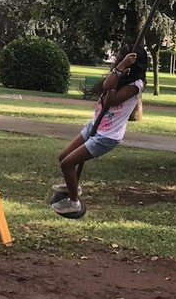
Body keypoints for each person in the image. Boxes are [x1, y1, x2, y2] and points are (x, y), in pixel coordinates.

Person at [52, 44, 148, 216]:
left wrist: (118, 75)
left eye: (121, 58)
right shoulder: (121, 73)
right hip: (95, 125)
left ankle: (74, 203)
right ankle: (73, 186)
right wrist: (119, 70)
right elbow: (106, 85)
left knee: (68, 163)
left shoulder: (136, 85)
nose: (117, 60)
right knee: (62, 157)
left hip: (107, 136)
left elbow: (110, 100)